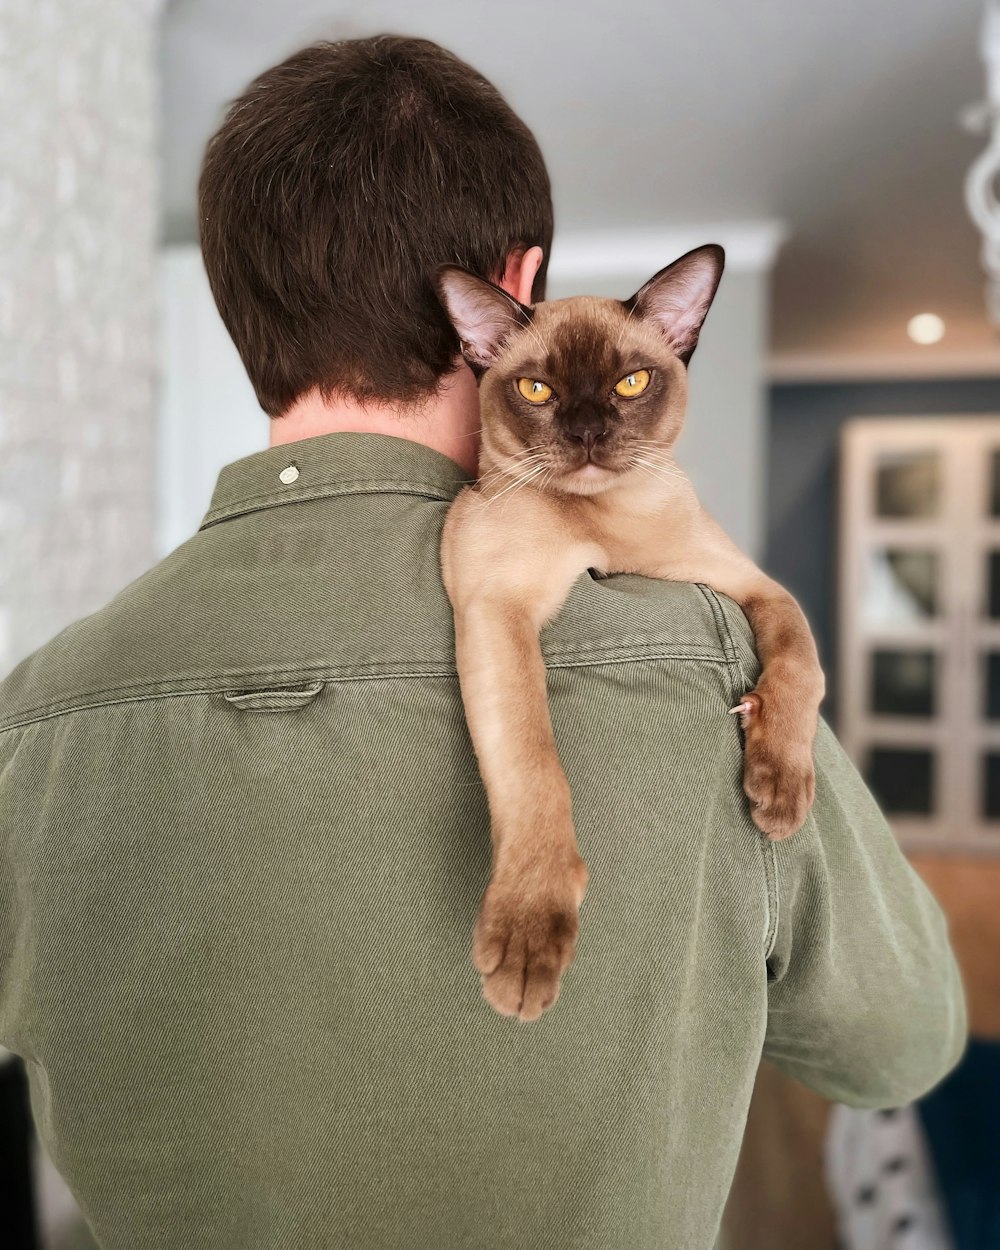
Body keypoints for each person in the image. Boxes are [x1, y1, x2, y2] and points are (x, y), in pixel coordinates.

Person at [0, 35, 965, 1250]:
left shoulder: (27, 723)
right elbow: (907, 1041)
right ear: (514, 282)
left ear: (239, 310)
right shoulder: (707, 659)